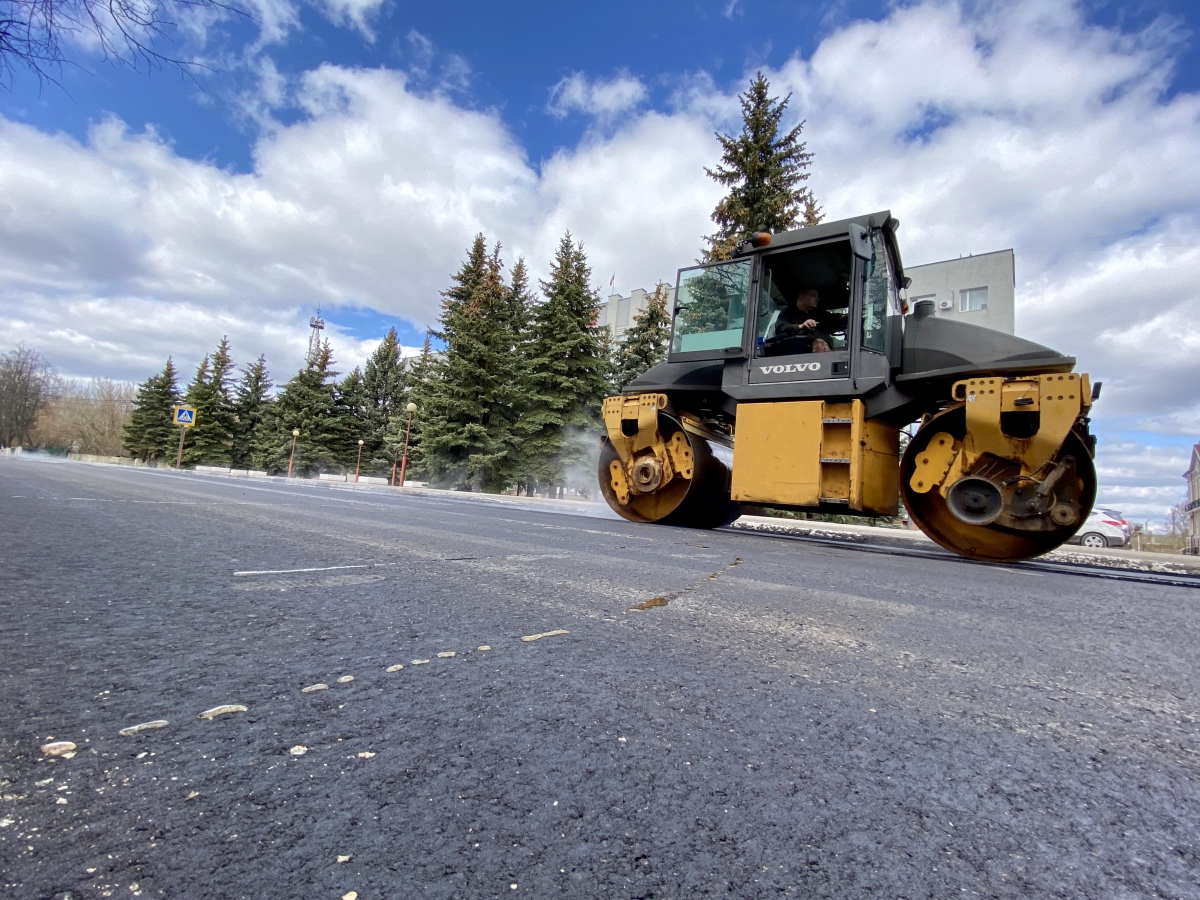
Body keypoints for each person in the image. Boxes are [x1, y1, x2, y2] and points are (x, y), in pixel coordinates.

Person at [767, 288, 845, 354]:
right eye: (813, 295)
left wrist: (847, 316)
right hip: (797, 354)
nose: (817, 299)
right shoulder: (787, 313)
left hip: (825, 351)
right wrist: (801, 326)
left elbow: (837, 319)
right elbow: (780, 328)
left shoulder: (820, 314)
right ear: (802, 297)